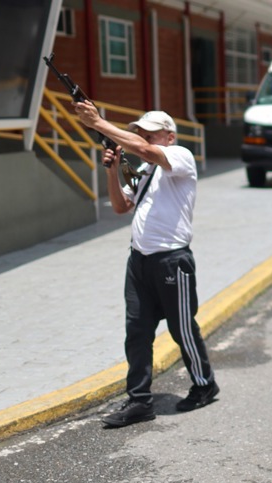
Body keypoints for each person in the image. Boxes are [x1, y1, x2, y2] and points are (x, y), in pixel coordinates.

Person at [73, 103, 219, 428]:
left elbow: (144, 151)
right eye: (140, 133)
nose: (142, 139)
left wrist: (98, 122)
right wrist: (111, 170)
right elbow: (122, 207)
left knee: (182, 329)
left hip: (172, 261)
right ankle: (139, 400)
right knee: (137, 332)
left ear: (168, 136)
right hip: (139, 262)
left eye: (149, 134)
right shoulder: (143, 170)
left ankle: (204, 384)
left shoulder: (179, 156)